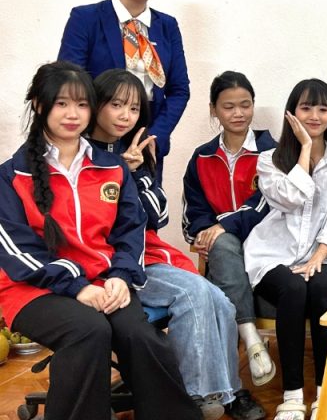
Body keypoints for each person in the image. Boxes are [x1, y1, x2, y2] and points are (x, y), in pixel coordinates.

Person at [0, 61, 200, 420]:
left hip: (103, 281)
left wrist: (122, 276)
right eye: (62, 103)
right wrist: (77, 287)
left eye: (82, 104)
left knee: (140, 336)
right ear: (40, 105)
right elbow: (17, 251)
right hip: (32, 288)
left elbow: (131, 231)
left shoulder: (112, 167)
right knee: (87, 330)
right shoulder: (11, 175)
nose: (72, 114)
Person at [88, 69, 266, 420]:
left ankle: (226, 393)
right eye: (117, 105)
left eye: (134, 108)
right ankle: (195, 398)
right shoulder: (81, 153)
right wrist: (121, 175)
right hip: (104, 259)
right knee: (194, 293)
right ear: (97, 105)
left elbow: (158, 216)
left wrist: (136, 173)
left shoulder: (137, 149)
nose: (126, 116)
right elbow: (95, 218)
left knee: (222, 301)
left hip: (145, 251)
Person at [245, 79, 327, 420]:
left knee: (322, 288)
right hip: (271, 256)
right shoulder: (269, 160)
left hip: (322, 254)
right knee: (294, 288)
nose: (314, 116)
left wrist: (318, 258)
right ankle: (292, 396)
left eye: (323, 109)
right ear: (291, 113)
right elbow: (290, 198)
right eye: (306, 108)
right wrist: (306, 148)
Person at [57, 0, 190, 176]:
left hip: (145, 142)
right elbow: (69, 83)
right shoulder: (85, 18)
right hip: (93, 140)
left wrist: (153, 138)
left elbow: (179, 89)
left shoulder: (167, 26)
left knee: (145, 199)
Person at [182, 71, 278, 389]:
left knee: (222, 246)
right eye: (228, 106)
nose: (238, 113)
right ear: (213, 110)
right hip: (224, 255)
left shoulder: (272, 152)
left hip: (267, 248)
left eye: (245, 105)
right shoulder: (202, 157)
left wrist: (223, 226)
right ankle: (251, 341)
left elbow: (270, 204)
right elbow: (193, 213)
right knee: (222, 249)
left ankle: (220, 386)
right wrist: (205, 232)